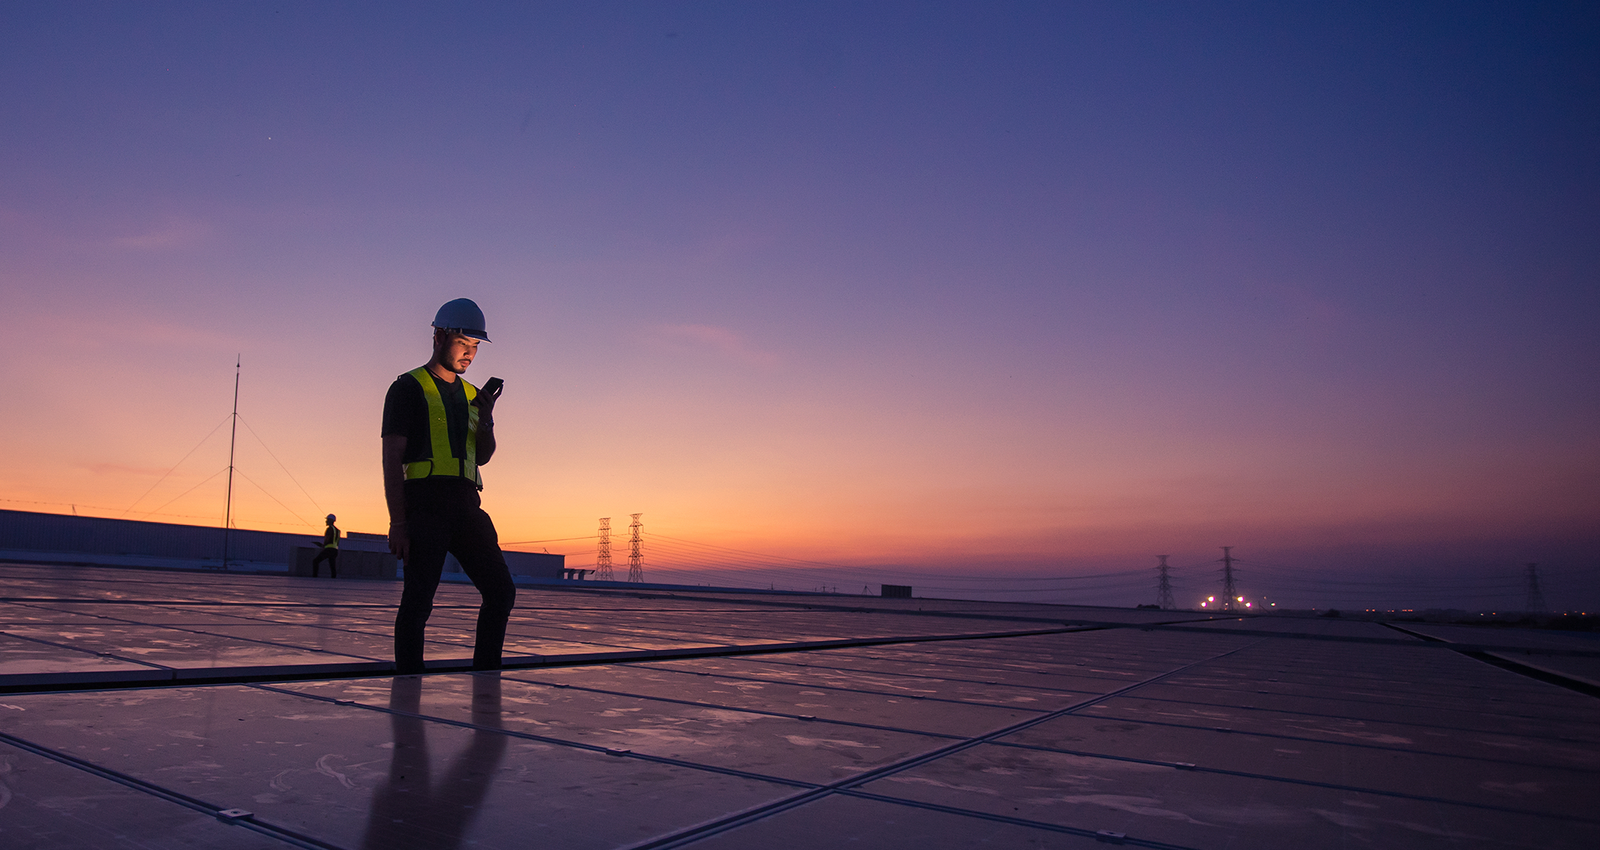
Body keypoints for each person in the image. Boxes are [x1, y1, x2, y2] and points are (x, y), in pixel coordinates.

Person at [381, 298, 516, 674]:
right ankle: (408, 682)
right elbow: (392, 458)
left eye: (475, 347)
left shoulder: (474, 396)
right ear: (439, 336)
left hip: (466, 505)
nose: (469, 354)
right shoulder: (407, 388)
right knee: (419, 600)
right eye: (463, 344)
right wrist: (399, 522)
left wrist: (486, 419)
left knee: (501, 592)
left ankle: (486, 675)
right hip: (424, 505)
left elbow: (483, 455)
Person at [311, 513, 340, 578]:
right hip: (335, 551)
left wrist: (323, 546)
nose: (326, 521)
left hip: (329, 550)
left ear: (331, 520)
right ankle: (333, 578)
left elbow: (328, 538)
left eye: (327, 520)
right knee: (332, 565)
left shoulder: (329, 529)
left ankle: (314, 576)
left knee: (315, 561)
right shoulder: (338, 530)